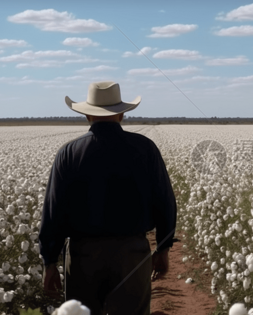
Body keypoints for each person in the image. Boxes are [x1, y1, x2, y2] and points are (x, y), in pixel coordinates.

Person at [39, 81, 177, 315]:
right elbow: (164, 201)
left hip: (83, 256)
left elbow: (54, 211)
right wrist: (163, 248)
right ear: (122, 113)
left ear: (86, 115)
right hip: (132, 255)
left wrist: (49, 261)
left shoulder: (69, 153)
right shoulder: (145, 148)